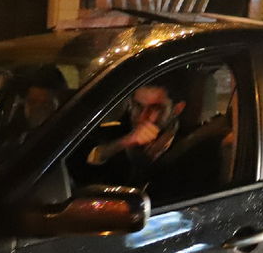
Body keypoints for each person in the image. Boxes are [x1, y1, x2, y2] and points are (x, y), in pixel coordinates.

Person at [82, 68, 234, 203]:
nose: (142, 117)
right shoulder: (116, 133)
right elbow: (81, 168)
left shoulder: (197, 148)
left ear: (177, 109)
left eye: (155, 108)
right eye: (138, 106)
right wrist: (122, 144)